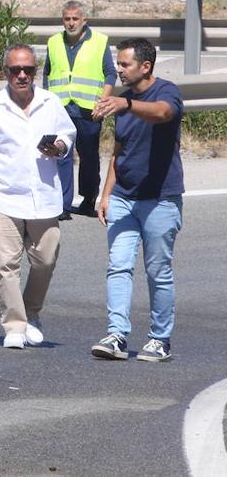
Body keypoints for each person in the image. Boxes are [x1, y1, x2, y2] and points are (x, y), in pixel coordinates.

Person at [0, 45, 76, 349]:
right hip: (3, 195)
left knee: (45, 259)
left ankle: (31, 312)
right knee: (6, 264)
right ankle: (14, 326)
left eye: (28, 70)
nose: (22, 75)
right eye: (15, 70)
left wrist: (60, 147)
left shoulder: (50, 102)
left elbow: (68, 134)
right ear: (5, 72)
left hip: (43, 196)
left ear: (35, 72)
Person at [89, 38, 184, 363]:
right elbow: (119, 152)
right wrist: (106, 194)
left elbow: (162, 114)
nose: (118, 69)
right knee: (118, 266)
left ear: (145, 66)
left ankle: (160, 339)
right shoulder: (122, 101)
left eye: (124, 64)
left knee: (158, 271)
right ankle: (117, 335)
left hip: (160, 199)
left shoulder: (166, 92)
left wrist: (125, 105)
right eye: (118, 63)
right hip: (124, 199)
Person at [43, 0, 115, 220]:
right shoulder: (54, 42)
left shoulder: (100, 42)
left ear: (85, 20)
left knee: (89, 156)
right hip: (62, 108)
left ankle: (89, 197)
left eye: (75, 18)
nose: (71, 23)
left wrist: (103, 102)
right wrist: (46, 103)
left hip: (88, 109)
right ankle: (63, 205)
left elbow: (110, 73)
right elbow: (47, 73)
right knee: (61, 154)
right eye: (67, 19)